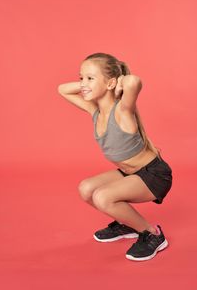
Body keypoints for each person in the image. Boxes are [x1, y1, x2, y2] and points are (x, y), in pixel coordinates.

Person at [58, 52, 173, 262]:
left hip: (155, 175)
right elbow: (62, 90)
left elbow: (133, 81)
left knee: (103, 197)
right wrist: (91, 85)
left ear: (111, 83)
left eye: (90, 78)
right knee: (86, 189)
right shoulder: (95, 111)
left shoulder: (122, 111)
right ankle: (127, 223)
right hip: (131, 173)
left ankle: (152, 234)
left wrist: (117, 82)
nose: (83, 83)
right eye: (81, 78)